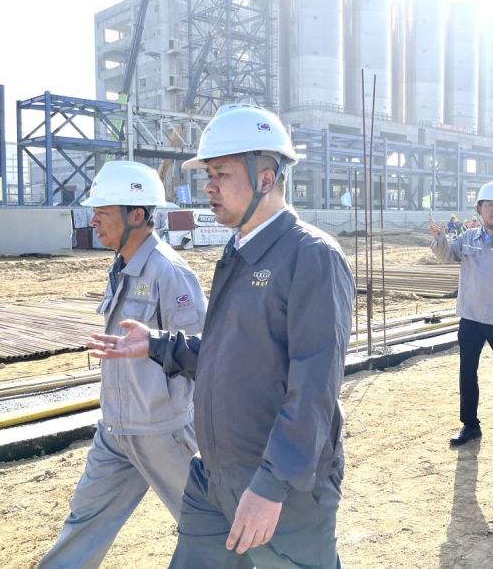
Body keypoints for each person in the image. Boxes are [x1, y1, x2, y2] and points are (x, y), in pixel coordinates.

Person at [87, 104, 354, 567]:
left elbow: (314, 387)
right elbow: (230, 353)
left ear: (266, 179)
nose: (207, 186)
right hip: (213, 476)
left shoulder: (311, 256)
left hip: (283, 486)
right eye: (208, 174)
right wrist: (157, 344)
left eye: (221, 174)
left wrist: (271, 485)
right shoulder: (238, 250)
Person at [40, 161, 206, 568]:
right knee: (84, 522)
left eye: (103, 211)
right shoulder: (122, 267)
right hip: (115, 429)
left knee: (208, 526)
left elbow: (204, 353)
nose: (93, 220)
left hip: (162, 431)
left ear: (137, 215)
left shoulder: (169, 273)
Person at [428, 181, 493, 446]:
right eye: (490, 205)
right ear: (479, 209)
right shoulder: (468, 238)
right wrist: (439, 239)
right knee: (467, 371)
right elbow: (447, 254)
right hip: (471, 317)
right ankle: (470, 425)